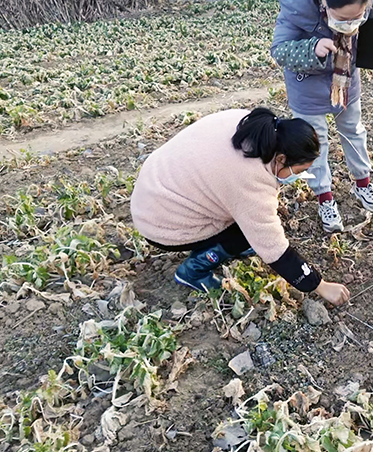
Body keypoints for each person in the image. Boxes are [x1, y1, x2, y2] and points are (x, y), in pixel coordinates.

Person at [130, 107, 351, 306]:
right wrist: (319, 285)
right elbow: (275, 250)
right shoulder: (248, 181)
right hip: (161, 222)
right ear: (281, 159)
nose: (298, 176)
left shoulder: (252, 125)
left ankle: (219, 245)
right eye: (298, 170)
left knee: (250, 221)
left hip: (153, 189)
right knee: (247, 233)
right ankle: (193, 271)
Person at [271, 0, 373, 233]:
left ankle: (363, 184)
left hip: (347, 78)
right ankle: (324, 197)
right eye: (341, 19)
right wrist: (313, 49)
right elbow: (279, 50)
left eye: (356, 18)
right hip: (306, 83)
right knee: (315, 144)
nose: (349, 26)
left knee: (354, 131)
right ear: (324, 2)